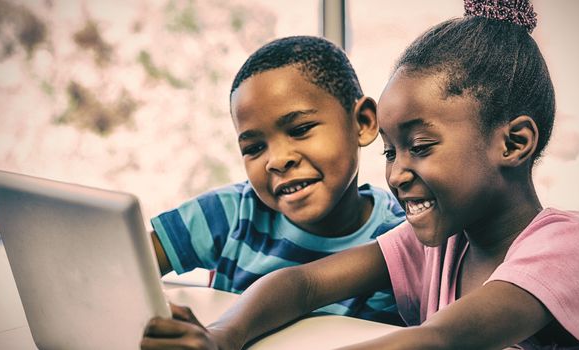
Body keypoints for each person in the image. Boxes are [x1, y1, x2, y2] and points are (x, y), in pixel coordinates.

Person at [142, 0, 579, 349]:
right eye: (391, 152)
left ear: (513, 143)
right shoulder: (436, 244)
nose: (397, 172)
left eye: (421, 147)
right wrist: (225, 336)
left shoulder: (568, 244)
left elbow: (439, 339)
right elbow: (302, 284)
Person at [150, 35, 406, 325]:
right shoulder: (230, 211)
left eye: (300, 129)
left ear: (363, 123)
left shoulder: (399, 242)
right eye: (254, 148)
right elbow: (122, 265)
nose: (277, 160)